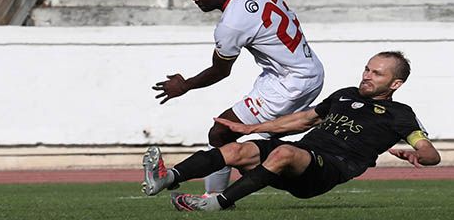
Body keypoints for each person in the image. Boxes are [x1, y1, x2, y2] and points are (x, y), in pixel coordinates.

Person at [151, 0, 363, 196]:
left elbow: (220, 71)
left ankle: (226, 194)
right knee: (234, 137)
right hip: (294, 70)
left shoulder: (231, 25)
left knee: (222, 135)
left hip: (291, 81)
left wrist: (184, 85)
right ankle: (225, 190)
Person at [143, 51, 441, 211]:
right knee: (236, 148)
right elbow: (303, 120)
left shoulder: (400, 115)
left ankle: (217, 203)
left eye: (376, 73)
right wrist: (252, 127)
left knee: (284, 151)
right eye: (366, 69)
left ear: (395, 84)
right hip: (302, 154)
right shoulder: (345, 94)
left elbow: (429, 152)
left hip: (326, 171)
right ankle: (165, 177)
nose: (366, 76)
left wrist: (417, 155)